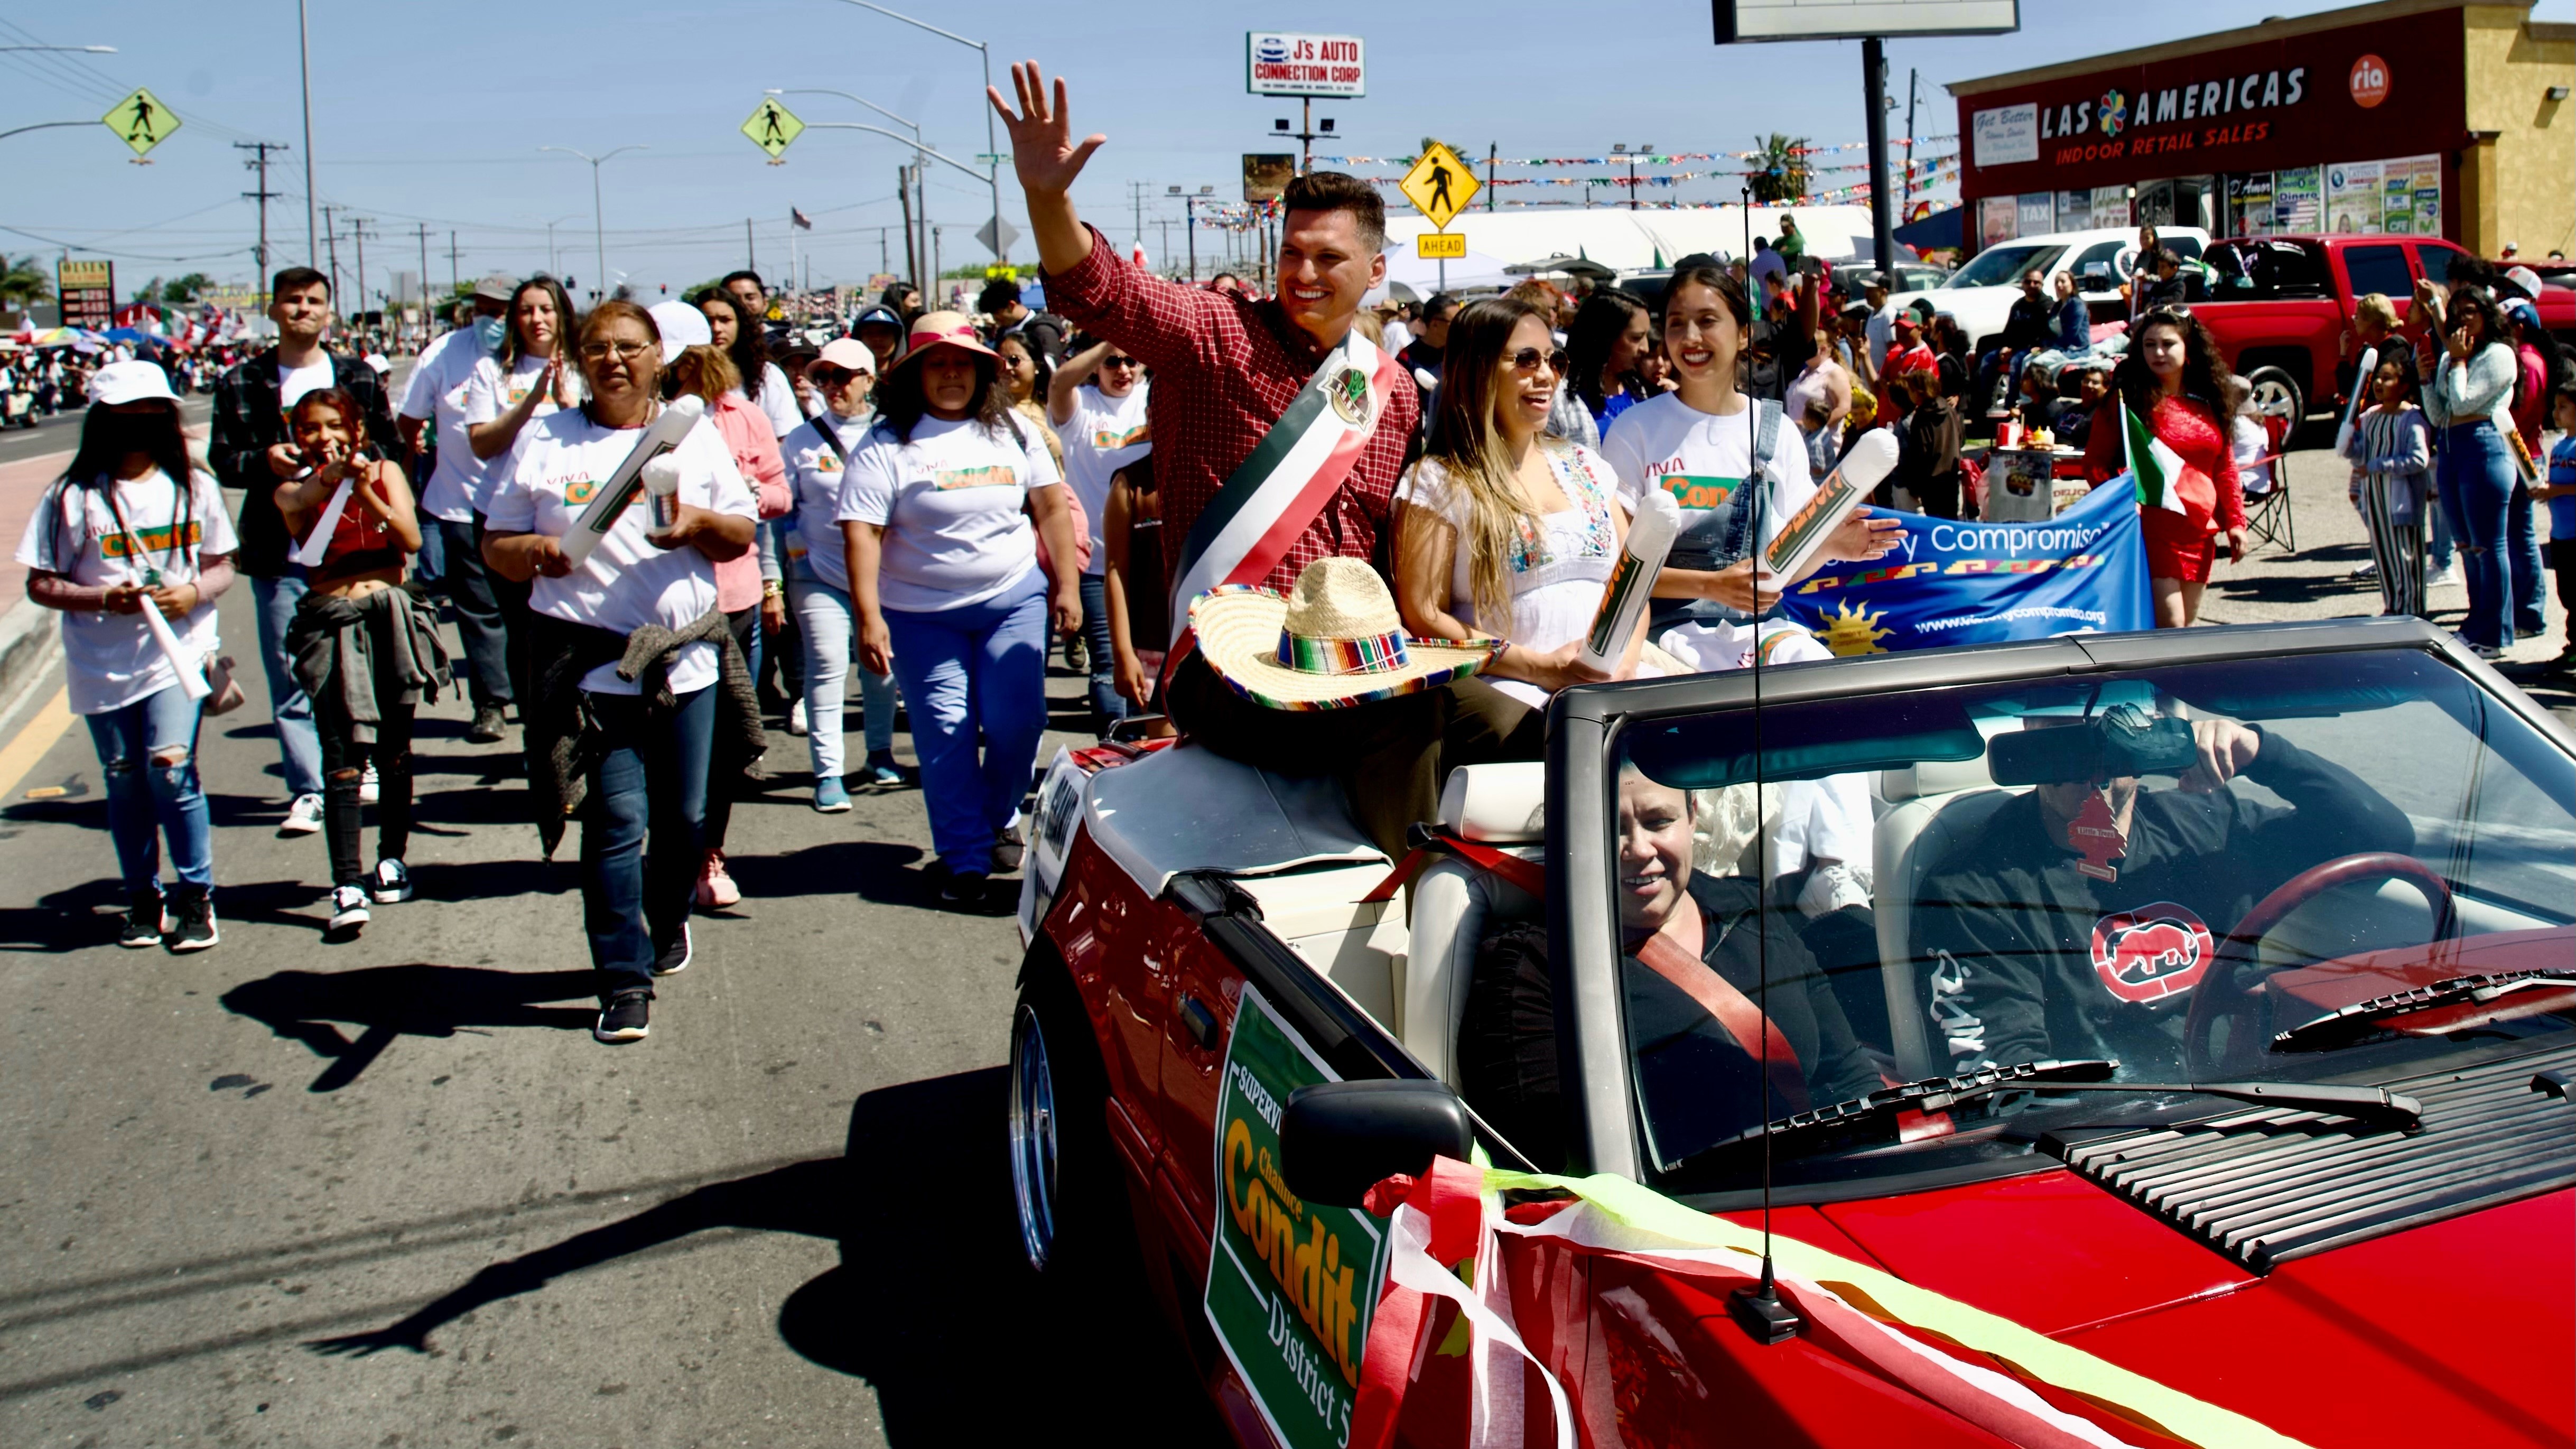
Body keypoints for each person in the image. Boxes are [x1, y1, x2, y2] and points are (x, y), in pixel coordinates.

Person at [992, 62, 1535, 858]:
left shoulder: (1391, 391)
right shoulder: (1215, 336)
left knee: (1520, 726)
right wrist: (1048, 196)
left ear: (1376, 272)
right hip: (1226, 666)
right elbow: (1100, 291)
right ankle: (1420, 913)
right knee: (1402, 717)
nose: (1302, 274)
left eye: (1328, 259)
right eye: (1291, 252)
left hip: (1352, 652)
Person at [481, 300, 761, 1045]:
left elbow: (739, 533)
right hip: (589, 667)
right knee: (614, 822)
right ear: (579, 358)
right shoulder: (545, 438)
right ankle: (622, 979)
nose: (613, 360)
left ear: (656, 356)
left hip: (685, 663)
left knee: (681, 821)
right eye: (598, 348)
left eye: (629, 348)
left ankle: (666, 916)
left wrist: (696, 523)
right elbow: (495, 543)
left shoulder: (690, 434)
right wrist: (534, 553)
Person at [1919, 701, 2411, 1078]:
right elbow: (2007, 1069)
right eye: (2061, 739)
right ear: (2028, 736)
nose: (2091, 766)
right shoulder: (1975, 885)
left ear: (2152, 736)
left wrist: (2263, 755)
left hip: (2257, 1082)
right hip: (2115, 1125)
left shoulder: (2207, 824)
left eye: (2112, 736)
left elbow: (2383, 837)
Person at [1457, 763, 1880, 1168]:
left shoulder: (1750, 910)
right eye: (1610, 828)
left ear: (1692, 816)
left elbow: (1848, 1076)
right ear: (1572, 832)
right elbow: (1555, 1166)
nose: (1639, 850)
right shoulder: (1531, 968)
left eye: (1659, 821)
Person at [842, 311, 1081, 906]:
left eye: (961, 363)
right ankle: (964, 857)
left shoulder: (1015, 433)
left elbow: (1051, 509)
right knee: (946, 733)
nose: (951, 373)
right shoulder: (885, 444)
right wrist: (869, 616)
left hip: (1013, 599)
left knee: (1017, 722)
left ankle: (999, 816)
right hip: (923, 616)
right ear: (915, 375)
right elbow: (862, 534)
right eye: (937, 363)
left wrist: (1068, 586)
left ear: (982, 372)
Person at [16, 362, 235, 951]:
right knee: (124, 779)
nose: (140, 424)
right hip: (101, 661)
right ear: (102, 421)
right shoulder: (70, 497)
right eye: (127, 415)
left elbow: (222, 565)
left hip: (177, 653)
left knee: (170, 769)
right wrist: (102, 599)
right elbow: (41, 583)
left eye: (151, 412)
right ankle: (143, 896)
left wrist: (191, 592)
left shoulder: (195, 487)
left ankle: (196, 894)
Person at [1597, 264, 1900, 659]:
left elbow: (1781, 570)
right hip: (1658, 642)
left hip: (1761, 637)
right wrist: (1709, 586)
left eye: (1707, 321)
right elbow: (1616, 570)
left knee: (1819, 682)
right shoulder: (1634, 428)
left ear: (1743, 334)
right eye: (1676, 324)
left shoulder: (1777, 432)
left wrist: (1829, 548)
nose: (1690, 338)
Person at [210, 266, 397, 838]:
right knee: (293, 672)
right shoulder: (243, 380)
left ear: (328, 311)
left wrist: (360, 464)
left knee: (359, 666)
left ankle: (360, 764)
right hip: (278, 551)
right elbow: (223, 458)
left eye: (314, 301)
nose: (302, 310)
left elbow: (390, 445)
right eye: (292, 301)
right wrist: (264, 461)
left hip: (355, 549)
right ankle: (309, 789)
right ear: (273, 310)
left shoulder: (357, 376)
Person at [1392, 296, 1635, 716]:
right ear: (1478, 368)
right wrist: (1538, 669)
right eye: (1526, 360)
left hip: (1615, 685)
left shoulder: (1586, 466)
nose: (1546, 376)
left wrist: (1621, 667)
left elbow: (1633, 582)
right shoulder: (1437, 481)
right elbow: (1424, 614)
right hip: (1507, 694)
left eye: (1553, 360)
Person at [276, 388, 448, 935]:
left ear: (354, 429)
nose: (322, 437)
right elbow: (299, 511)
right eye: (309, 429)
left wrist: (366, 490)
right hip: (334, 623)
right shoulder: (291, 491)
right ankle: (346, 881)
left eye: (333, 425)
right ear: (296, 437)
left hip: (390, 614)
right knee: (342, 754)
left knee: (396, 748)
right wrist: (329, 482)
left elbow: (412, 538)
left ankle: (391, 858)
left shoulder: (386, 471)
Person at [659, 301, 791, 909]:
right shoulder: (632, 421)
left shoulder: (743, 417)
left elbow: (781, 493)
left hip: (728, 596)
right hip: (650, 604)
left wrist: (734, 498)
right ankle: (660, 851)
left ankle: (708, 850)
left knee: (714, 747)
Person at [779, 339, 906, 805]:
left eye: (843, 376)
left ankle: (880, 753)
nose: (832, 386)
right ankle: (827, 772)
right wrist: (786, 568)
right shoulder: (800, 439)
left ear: (869, 381)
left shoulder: (891, 434)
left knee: (880, 668)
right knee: (828, 664)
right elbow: (784, 510)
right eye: (823, 377)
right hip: (818, 574)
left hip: (883, 576)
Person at [459, 277, 583, 741]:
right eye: (527, 310)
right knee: (524, 628)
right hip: (505, 517)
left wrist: (571, 405)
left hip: (567, 512)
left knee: (572, 624)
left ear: (562, 315)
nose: (537, 319)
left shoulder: (583, 364)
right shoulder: (492, 372)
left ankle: (576, 728)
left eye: (546, 309)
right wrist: (532, 401)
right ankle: (537, 732)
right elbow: (481, 444)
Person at [398, 275, 514, 741]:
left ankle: (543, 697)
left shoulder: (542, 358)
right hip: (462, 506)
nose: (492, 319)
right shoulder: (444, 354)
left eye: (502, 310)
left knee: (535, 610)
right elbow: (410, 417)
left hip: (531, 512)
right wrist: (414, 464)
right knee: (479, 609)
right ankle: (491, 702)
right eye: (483, 309)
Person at [2084, 308, 2246, 629]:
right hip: (2151, 530)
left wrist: (2237, 523)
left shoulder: (2211, 401)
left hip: (2199, 532)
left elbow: (2225, 469)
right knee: (2170, 625)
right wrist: (2126, 501)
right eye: (2149, 344)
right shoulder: (2125, 401)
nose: (2158, 352)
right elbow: (2096, 464)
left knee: (2185, 629)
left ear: (2188, 350)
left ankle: (2170, 682)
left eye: (2168, 344)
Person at [1049, 336, 1153, 734]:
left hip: (1153, 560)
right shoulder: (1080, 408)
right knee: (1109, 664)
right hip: (1096, 561)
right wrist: (1114, 335)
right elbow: (1059, 384)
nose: (1123, 370)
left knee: (1154, 661)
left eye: (1131, 360)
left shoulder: (1153, 395)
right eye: (1111, 362)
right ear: (1095, 366)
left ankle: (1152, 754)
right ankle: (1114, 751)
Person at [2423, 286, 2525, 655]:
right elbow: (2439, 413)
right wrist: (2426, 379)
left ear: (2487, 314)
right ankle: (2475, 621)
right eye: (2457, 312)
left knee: (2487, 546)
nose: (2463, 318)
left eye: (2471, 311)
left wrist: (2460, 363)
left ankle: (2494, 633)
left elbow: (2466, 400)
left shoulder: (2499, 354)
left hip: (2484, 448)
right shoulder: (2455, 354)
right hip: (2451, 448)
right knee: (2466, 545)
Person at [2341, 353, 2434, 620]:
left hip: (2401, 500)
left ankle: (2412, 611)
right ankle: (2393, 606)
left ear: (2404, 386)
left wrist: (2378, 466)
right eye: (2378, 378)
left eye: (2388, 378)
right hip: (2376, 499)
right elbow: (2362, 452)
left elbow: (2418, 459)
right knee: (2383, 553)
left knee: (2406, 556)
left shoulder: (2412, 419)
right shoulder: (2371, 416)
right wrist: (2349, 446)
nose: (2379, 383)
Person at [1101, 453, 1166, 717]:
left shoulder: (1216, 472)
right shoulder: (1130, 485)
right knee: (1165, 748)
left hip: (1212, 643)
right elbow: (1116, 571)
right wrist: (1123, 652)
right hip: (1154, 646)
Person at [1566, 289, 1653, 435]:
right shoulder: (1567, 400)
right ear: (1606, 338)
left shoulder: (1637, 388)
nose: (1646, 348)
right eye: (1636, 338)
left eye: (1646, 337)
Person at [2537, 382, 2576, 670]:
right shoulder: (2560, 445)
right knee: (2568, 594)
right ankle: (2573, 645)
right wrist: (2542, 490)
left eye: (2564, 407)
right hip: (2560, 532)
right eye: (2555, 406)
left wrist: (2556, 491)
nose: (2556, 412)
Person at [1781, 324, 1852, 478]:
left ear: (1823, 349)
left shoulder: (1835, 373)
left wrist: (1813, 428)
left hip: (1819, 448)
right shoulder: (1805, 373)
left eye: (1808, 348)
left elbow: (1844, 408)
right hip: (1798, 444)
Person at [1894, 369, 1965, 517]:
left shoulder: (1921, 418)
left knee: (1936, 527)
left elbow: (1919, 456)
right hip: (1951, 479)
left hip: (1931, 486)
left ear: (1919, 392)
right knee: (1951, 520)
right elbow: (1961, 438)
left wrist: (1915, 488)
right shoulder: (1950, 411)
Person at [981, 277, 1066, 365]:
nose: (995, 319)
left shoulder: (1043, 331)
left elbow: (1052, 368)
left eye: (996, 313)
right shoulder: (1003, 332)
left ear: (1011, 306)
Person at [852, 303, 907, 375]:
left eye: (885, 332)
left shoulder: (910, 381)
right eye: (869, 333)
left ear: (897, 338)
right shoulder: (847, 382)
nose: (877, 339)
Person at [2050, 271, 2091, 354]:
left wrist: (2052, 347)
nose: (2059, 285)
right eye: (2056, 282)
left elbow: (2071, 333)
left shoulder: (2077, 304)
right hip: (2059, 348)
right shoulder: (2056, 307)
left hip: (2077, 349)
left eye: (2063, 281)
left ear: (2072, 284)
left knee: (2038, 362)